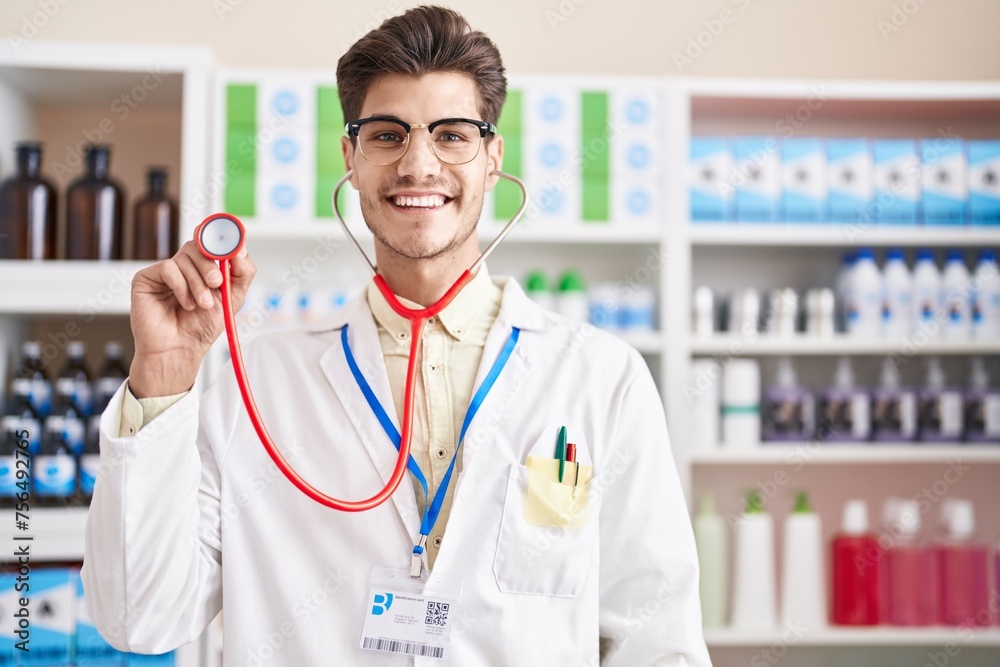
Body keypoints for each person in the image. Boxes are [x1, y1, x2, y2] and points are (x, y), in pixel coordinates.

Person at [82, 6, 710, 665]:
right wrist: (164, 372)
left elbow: (657, 640)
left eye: (451, 134)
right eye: (387, 135)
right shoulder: (254, 383)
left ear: (493, 157)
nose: (417, 163)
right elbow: (138, 618)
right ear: (350, 156)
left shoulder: (600, 376)